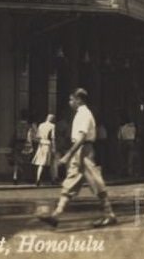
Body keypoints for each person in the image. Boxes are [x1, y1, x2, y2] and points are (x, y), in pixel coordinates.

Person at [38, 88, 117, 228]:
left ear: (78, 99)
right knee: (70, 182)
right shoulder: (80, 114)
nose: (70, 102)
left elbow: (81, 138)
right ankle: (56, 215)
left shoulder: (84, 114)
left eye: (71, 99)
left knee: (96, 182)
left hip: (84, 151)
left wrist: (68, 155)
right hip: (79, 151)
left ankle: (109, 214)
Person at [31, 114, 56, 186]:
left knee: (40, 163)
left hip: (41, 144)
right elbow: (53, 137)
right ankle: (53, 179)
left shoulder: (41, 125)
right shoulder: (52, 126)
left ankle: (38, 178)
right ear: (52, 119)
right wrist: (54, 148)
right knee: (51, 162)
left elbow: (38, 136)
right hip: (48, 144)